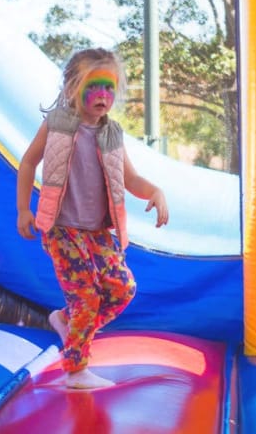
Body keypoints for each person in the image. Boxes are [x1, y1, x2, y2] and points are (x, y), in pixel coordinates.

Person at [16, 47, 168, 389]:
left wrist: (155, 191)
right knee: (86, 296)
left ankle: (65, 320)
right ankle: (76, 369)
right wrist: (24, 209)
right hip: (62, 229)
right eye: (93, 87)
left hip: (98, 232)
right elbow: (28, 162)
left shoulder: (112, 134)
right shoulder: (56, 124)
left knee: (123, 289)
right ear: (73, 87)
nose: (102, 95)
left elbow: (130, 178)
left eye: (109, 88)